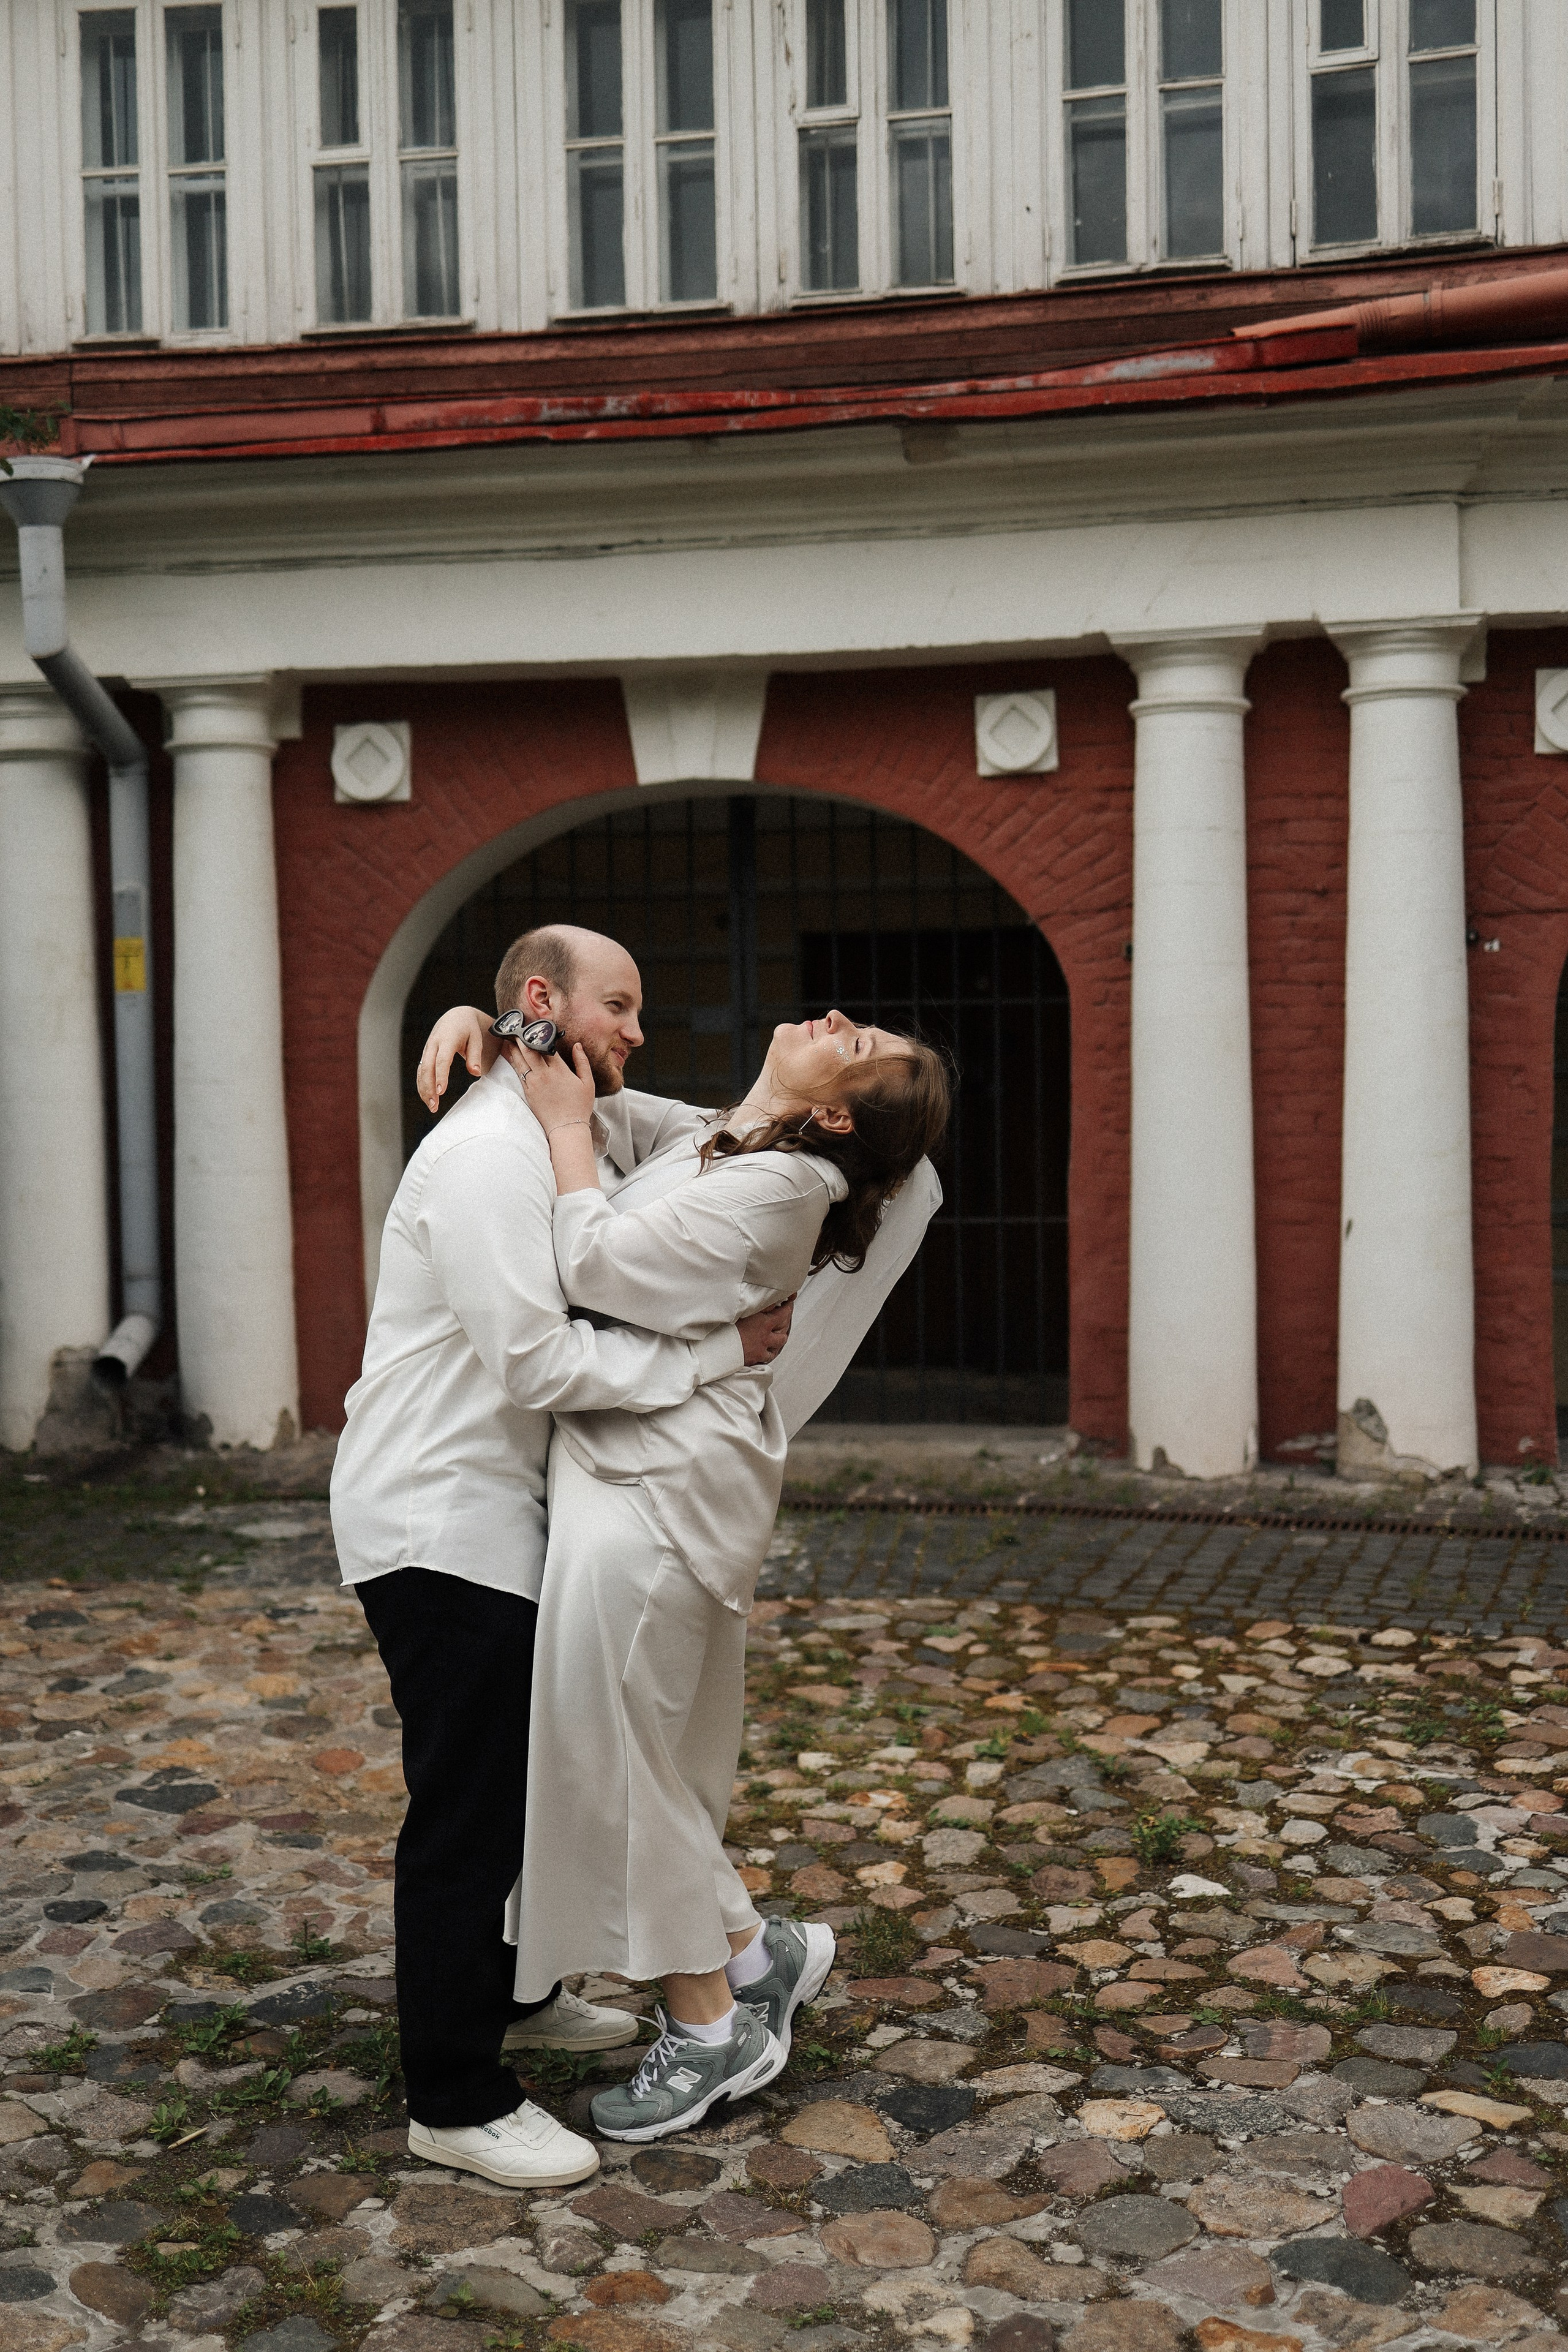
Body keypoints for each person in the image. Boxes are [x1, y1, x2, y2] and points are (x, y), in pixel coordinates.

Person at [423, 995, 949, 2141]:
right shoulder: (730, 1136)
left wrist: (565, 1142)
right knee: (633, 1749)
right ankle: (756, 1956)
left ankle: (712, 2035)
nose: (837, 1018)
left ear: (843, 1122)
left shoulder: (784, 1192)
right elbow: (592, 1081)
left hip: (656, 1489)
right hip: (630, 1474)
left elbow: (592, 1262)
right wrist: (485, 1016)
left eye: (856, 1048)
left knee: (616, 1755)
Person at [331, 925, 794, 2190]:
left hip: (501, 1515)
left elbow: (704, 1129)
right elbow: (535, 1364)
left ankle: (519, 2002)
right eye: (617, 1006)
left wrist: (497, 1036)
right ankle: (456, 2097)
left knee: (529, 1785)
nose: (637, 1030)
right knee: (468, 1814)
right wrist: (714, 1357)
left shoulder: (544, 1127)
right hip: (438, 1520)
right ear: (544, 1001)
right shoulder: (486, 1157)